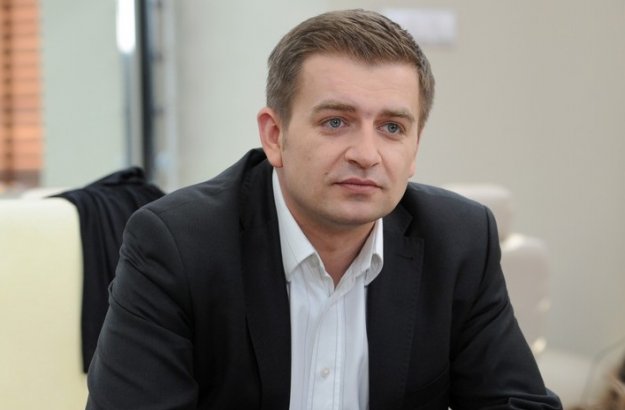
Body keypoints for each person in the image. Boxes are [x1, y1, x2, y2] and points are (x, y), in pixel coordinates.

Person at [86, 9, 562, 410]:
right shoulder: (176, 244)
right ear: (275, 135)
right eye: (336, 122)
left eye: (392, 128)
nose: (367, 154)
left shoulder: (459, 241)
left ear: (415, 147)